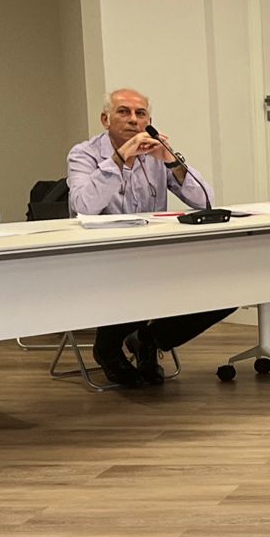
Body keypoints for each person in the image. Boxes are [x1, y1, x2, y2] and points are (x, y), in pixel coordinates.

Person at [65, 88, 231, 388]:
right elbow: (83, 207)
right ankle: (108, 347)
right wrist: (120, 158)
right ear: (105, 119)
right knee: (136, 276)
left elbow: (205, 200)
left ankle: (148, 339)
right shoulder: (84, 154)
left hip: (155, 252)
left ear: (149, 121)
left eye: (140, 114)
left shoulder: (155, 154)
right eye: (123, 112)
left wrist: (169, 158)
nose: (133, 120)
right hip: (105, 257)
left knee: (228, 289)